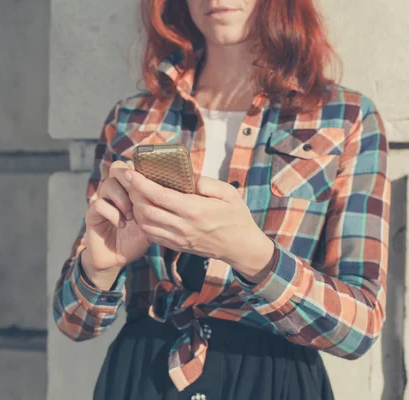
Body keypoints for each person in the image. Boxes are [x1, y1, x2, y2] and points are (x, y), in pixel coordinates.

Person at [53, 0, 391, 399]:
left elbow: (359, 327)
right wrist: (100, 267)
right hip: (144, 373)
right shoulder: (133, 118)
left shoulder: (344, 117)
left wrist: (251, 255)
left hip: (274, 378)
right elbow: (74, 322)